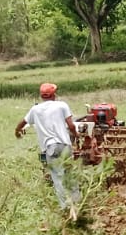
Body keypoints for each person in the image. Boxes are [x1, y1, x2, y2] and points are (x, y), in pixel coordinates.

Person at [14, 82, 81, 218]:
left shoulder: (35, 109)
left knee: (57, 178)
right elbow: (71, 125)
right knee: (70, 175)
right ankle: (78, 203)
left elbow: (22, 123)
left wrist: (17, 131)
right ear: (54, 95)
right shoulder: (62, 105)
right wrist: (76, 135)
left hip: (50, 148)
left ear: (41, 96)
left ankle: (65, 209)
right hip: (64, 145)